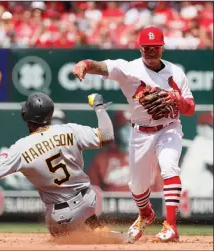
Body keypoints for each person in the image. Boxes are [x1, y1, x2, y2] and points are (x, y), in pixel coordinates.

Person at [0, 92, 119, 237]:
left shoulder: (21, 147)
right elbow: (108, 135)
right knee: (85, 215)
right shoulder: (71, 130)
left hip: (61, 216)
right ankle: (100, 232)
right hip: (89, 201)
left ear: (26, 116)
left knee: (63, 237)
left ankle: (87, 236)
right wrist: (99, 106)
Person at [73, 26, 195, 242]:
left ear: (162, 49)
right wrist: (84, 65)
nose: (151, 51)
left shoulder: (176, 73)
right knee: (137, 186)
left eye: (155, 48)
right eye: (147, 48)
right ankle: (146, 214)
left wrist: (178, 100)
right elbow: (102, 67)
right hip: (140, 131)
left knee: (169, 167)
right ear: (140, 48)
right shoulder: (128, 69)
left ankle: (171, 226)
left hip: (169, 127)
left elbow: (190, 108)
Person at [88, 111, 163, 192]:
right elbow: (91, 195)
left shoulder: (150, 158)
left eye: (133, 128)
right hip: (113, 204)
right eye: (125, 127)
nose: (129, 132)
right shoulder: (102, 159)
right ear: (116, 130)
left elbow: (160, 194)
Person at [180, 111, 213, 198]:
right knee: (208, 176)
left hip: (199, 195)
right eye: (212, 126)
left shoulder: (204, 142)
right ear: (201, 128)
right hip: (195, 196)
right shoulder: (201, 143)